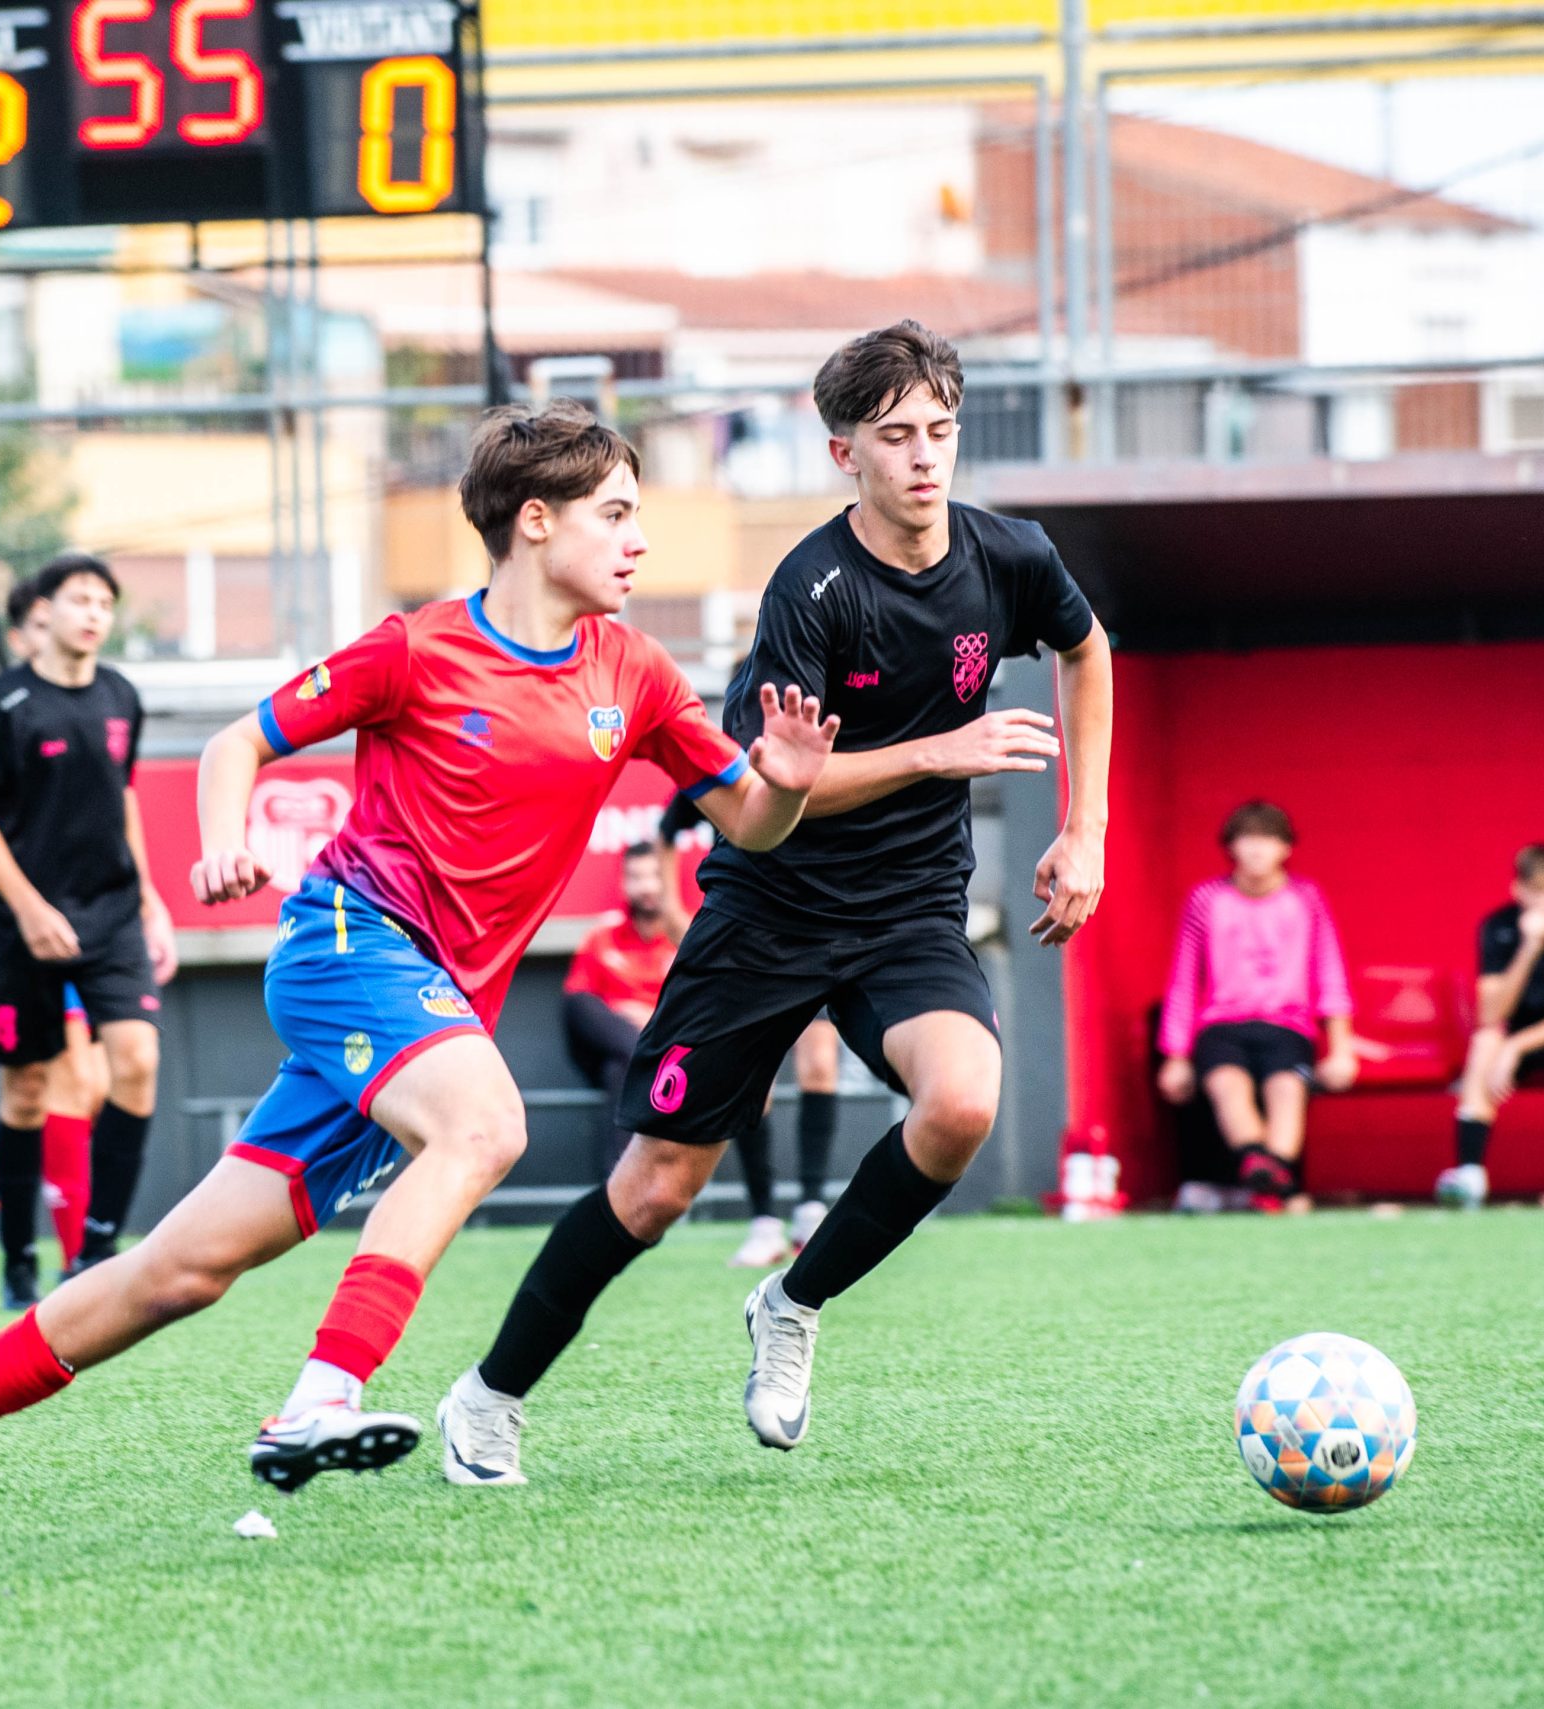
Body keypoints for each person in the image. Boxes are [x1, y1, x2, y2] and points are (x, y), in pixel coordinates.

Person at [0, 400, 833, 1560]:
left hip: (427, 1009)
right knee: (483, 1124)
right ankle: (321, 1392)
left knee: (180, 1269)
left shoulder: (639, 671)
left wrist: (794, 781)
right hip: (346, 946)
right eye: (615, 514)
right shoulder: (414, 647)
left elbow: (753, 826)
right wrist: (222, 839)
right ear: (533, 521)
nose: (636, 541)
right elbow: (235, 745)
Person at [435, 321, 1111, 1487]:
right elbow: (765, 797)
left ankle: (791, 1302)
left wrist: (1083, 826)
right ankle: (488, 1395)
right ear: (842, 450)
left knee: (960, 1104)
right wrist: (938, 751)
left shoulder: (1007, 557)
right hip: (771, 908)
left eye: (939, 432)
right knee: (654, 1188)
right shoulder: (812, 590)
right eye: (894, 437)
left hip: (907, 913)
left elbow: (1087, 647)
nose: (923, 459)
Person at [0, 553, 177, 1309]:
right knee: (29, 1089)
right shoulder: (5, 703)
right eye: (81, 598)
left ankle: (100, 1246)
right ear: (45, 611)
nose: (95, 612)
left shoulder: (121, 696)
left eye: (106, 601)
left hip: (110, 913)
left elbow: (123, 799)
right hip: (23, 926)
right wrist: (26, 909)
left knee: (135, 1059)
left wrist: (152, 898)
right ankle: (17, 1257)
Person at [0, 579, 110, 1276]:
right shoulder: (5, 709)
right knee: (46, 1087)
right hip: (22, 932)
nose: (60, 631)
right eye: (41, 622)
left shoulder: (88, 700)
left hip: (84, 921)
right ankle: (73, 1265)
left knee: (81, 1088)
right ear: (23, 635)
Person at [655, 791, 847, 1268]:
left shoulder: (831, 755)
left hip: (818, 935)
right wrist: (669, 908)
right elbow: (668, 828)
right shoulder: (731, 761)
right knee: (753, 1083)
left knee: (820, 1064)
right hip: (749, 940)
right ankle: (764, 1223)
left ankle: (811, 1212)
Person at [1155, 801, 1357, 1214]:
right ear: (1231, 847)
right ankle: (1272, 1178)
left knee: (1286, 1088)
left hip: (1288, 1026)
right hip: (1222, 1025)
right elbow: (1183, 977)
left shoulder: (1306, 899)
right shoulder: (1206, 899)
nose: (1256, 850)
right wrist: (1175, 1056)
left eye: (1267, 840)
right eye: (1246, 839)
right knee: (1228, 1085)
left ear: (1285, 847)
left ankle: (1270, 1174)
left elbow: (1330, 970)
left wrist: (1341, 1047)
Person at [1437, 845, 1544, 1209]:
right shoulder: (1497, 926)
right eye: (1538, 892)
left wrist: (1517, 1046)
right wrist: (1529, 949)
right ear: (1518, 889)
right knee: (1485, 1040)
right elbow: (1490, 1012)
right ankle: (1470, 1173)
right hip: (1509, 1037)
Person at [562, 840, 687, 1178]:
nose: (645, 886)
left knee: (623, 1067)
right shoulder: (602, 937)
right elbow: (580, 1008)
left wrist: (650, 1021)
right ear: (623, 882)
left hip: (663, 1058)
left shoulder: (688, 940)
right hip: (607, 1046)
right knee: (580, 1004)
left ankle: (615, 1186)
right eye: (635, 876)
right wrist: (627, 1020)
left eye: (653, 876)